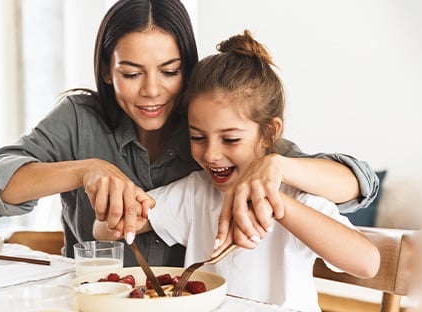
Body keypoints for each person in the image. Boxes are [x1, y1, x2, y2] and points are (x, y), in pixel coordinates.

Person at [0, 0, 379, 267]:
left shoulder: (209, 125)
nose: (151, 91)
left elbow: (356, 183)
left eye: (169, 71)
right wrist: (85, 171)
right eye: (130, 73)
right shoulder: (78, 117)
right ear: (107, 72)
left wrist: (276, 166)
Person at [94, 29, 380, 311]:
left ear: (269, 133)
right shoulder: (196, 192)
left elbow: (367, 263)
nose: (211, 154)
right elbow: (106, 230)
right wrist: (120, 207)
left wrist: (277, 206)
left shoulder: (298, 195)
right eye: (197, 137)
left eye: (230, 139)